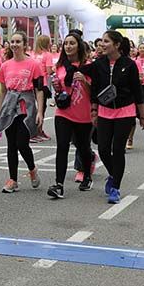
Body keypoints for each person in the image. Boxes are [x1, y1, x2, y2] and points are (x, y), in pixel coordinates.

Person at [87, 30, 144, 204]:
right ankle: (113, 174)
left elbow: (137, 91)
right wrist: (93, 111)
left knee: (118, 149)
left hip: (125, 111)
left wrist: (142, 115)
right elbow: (95, 89)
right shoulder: (99, 64)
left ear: (117, 45)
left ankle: (116, 188)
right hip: (105, 111)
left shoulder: (129, 64)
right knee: (104, 148)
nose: (102, 45)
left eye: (106, 42)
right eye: (102, 42)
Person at [0, 31, 45, 193]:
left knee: (22, 143)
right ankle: (13, 180)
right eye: (13, 42)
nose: (15, 45)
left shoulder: (33, 64)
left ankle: (32, 169)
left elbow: (39, 90)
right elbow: (2, 91)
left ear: (25, 45)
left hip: (26, 106)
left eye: (18, 42)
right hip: (9, 106)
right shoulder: (5, 65)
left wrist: (40, 112)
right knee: (11, 145)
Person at [48, 32, 94, 197]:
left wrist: (85, 81)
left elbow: (93, 92)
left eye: (72, 43)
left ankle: (87, 175)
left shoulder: (88, 66)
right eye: (66, 43)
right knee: (62, 146)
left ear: (78, 46)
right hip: (64, 112)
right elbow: (60, 92)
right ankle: (58, 184)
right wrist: (57, 88)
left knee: (83, 147)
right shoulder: (60, 66)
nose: (68, 46)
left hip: (83, 113)